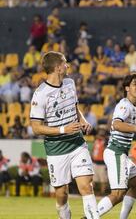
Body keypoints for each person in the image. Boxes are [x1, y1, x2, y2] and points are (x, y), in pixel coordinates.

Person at [30, 51, 99, 219]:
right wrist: (63, 129)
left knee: (86, 186)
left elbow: (75, 108)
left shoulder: (70, 83)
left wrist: (82, 120)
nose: (68, 65)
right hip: (56, 150)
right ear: (58, 68)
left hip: (77, 144)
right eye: (65, 63)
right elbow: (36, 128)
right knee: (62, 194)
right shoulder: (40, 94)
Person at [96, 74, 136, 218]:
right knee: (117, 194)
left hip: (121, 153)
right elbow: (117, 124)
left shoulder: (132, 106)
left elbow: (133, 119)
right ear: (127, 88)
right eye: (135, 84)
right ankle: (90, 216)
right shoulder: (125, 105)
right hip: (116, 152)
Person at [91, 125, 108, 196]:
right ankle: (91, 193)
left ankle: (102, 193)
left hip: (102, 163)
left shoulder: (106, 141)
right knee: (93, 179)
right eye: (100, 130)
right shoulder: (96, 140)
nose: (101, 131)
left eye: (102, 130)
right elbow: (93, 150)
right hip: (94, 162)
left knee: (103, 180)